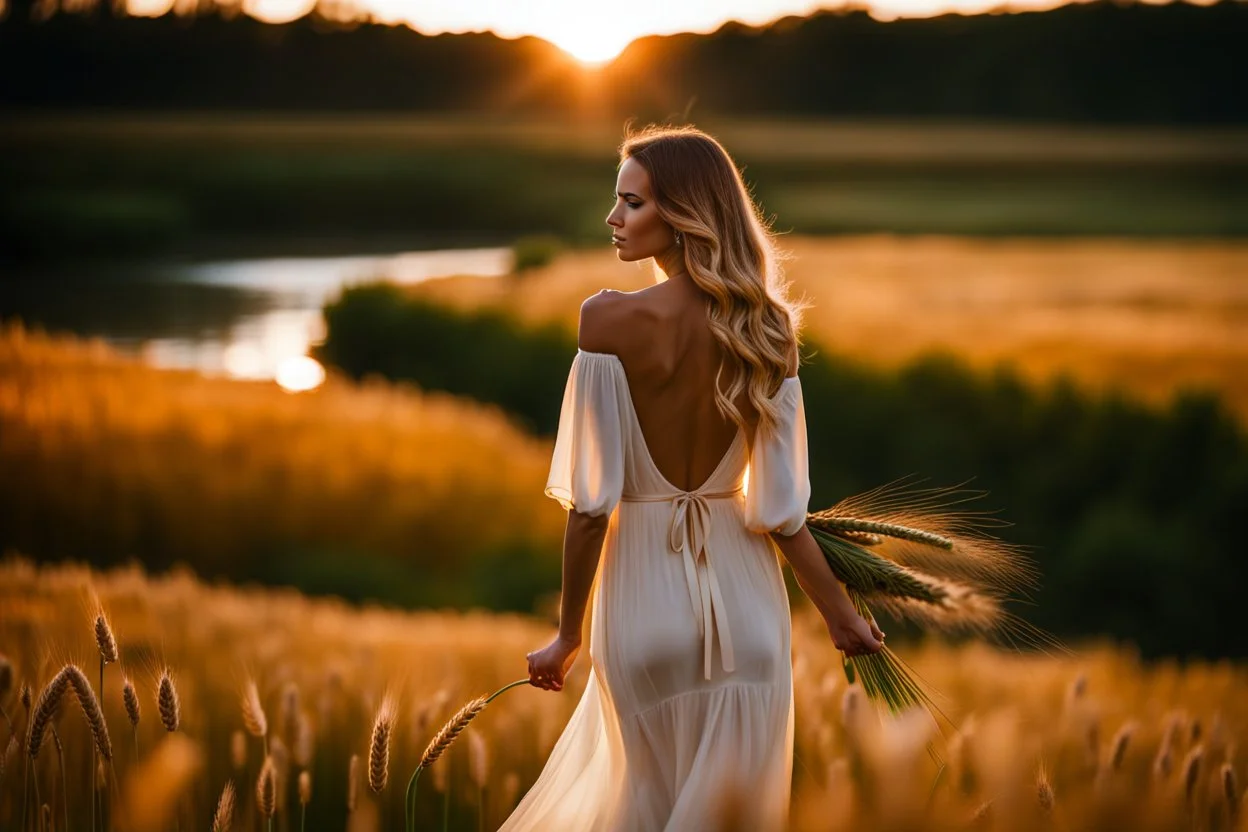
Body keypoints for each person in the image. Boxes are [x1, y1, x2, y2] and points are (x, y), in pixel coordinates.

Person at [501, 124, 885, 831]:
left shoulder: (604, 320)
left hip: (640, 610)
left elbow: (591, 509)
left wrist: (566, 636)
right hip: (747, 620)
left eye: (633, 204)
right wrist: (841, 616)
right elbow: (780, 514)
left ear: (682, 216)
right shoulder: (766, 329)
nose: (613, 219)